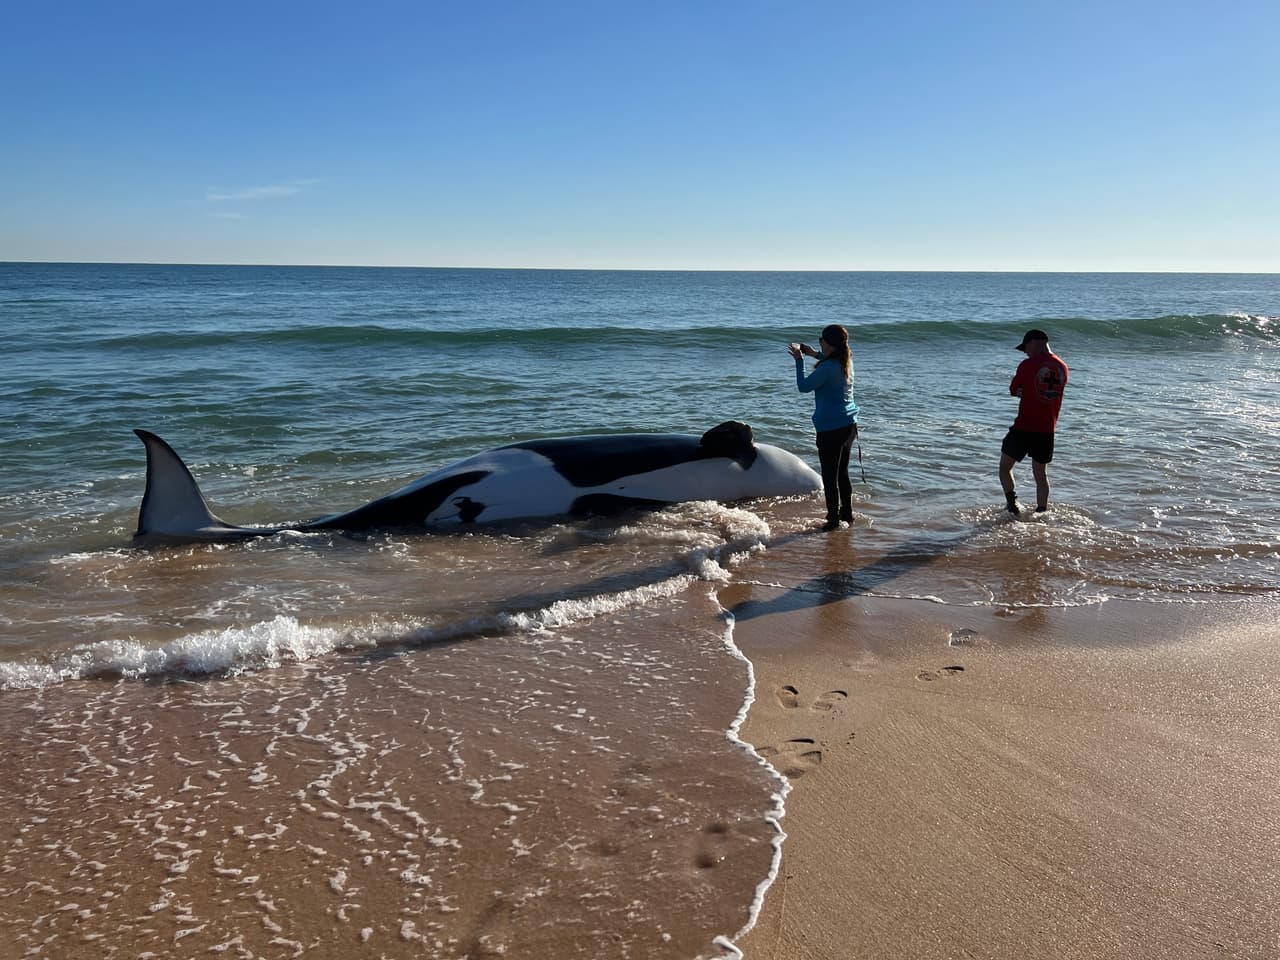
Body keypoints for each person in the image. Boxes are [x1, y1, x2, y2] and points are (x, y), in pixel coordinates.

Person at [789, 324, 860, 531]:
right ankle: (847, 514)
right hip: (849, 425)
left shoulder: (828, 368)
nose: (820, 341)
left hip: (830, 429)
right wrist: (814, 354)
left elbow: (803, 387)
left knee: (829, 476)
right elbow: (829, 364)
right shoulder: (846, 360)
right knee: (842, 474)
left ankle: (833, 521)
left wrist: (799, 360)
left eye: (822, 339)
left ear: (830, 344)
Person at [1000, 328, 1068, 515]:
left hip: (1024, 426)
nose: (1025, 352)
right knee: (1040, 473)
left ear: (1034, 342)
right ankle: (1041, 511)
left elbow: (1013, 389)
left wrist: (1020, 390)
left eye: (1026, 348)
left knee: (1005, 467)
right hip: (1047, 429)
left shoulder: (1027, 365)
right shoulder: (1063, 367)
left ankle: (1012, 505)